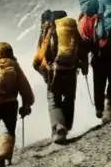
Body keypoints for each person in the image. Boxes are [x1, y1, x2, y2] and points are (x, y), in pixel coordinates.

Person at [36, 10, 86, 144]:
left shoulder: (49, 33)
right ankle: (66, 126)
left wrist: (41, 70)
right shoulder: (71, 30)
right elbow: (82, 48)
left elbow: (40, 57)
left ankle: (59, 126)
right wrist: (83, 65)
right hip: (71, 69)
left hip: (54, 72)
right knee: (69, 97)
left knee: (54, 100)